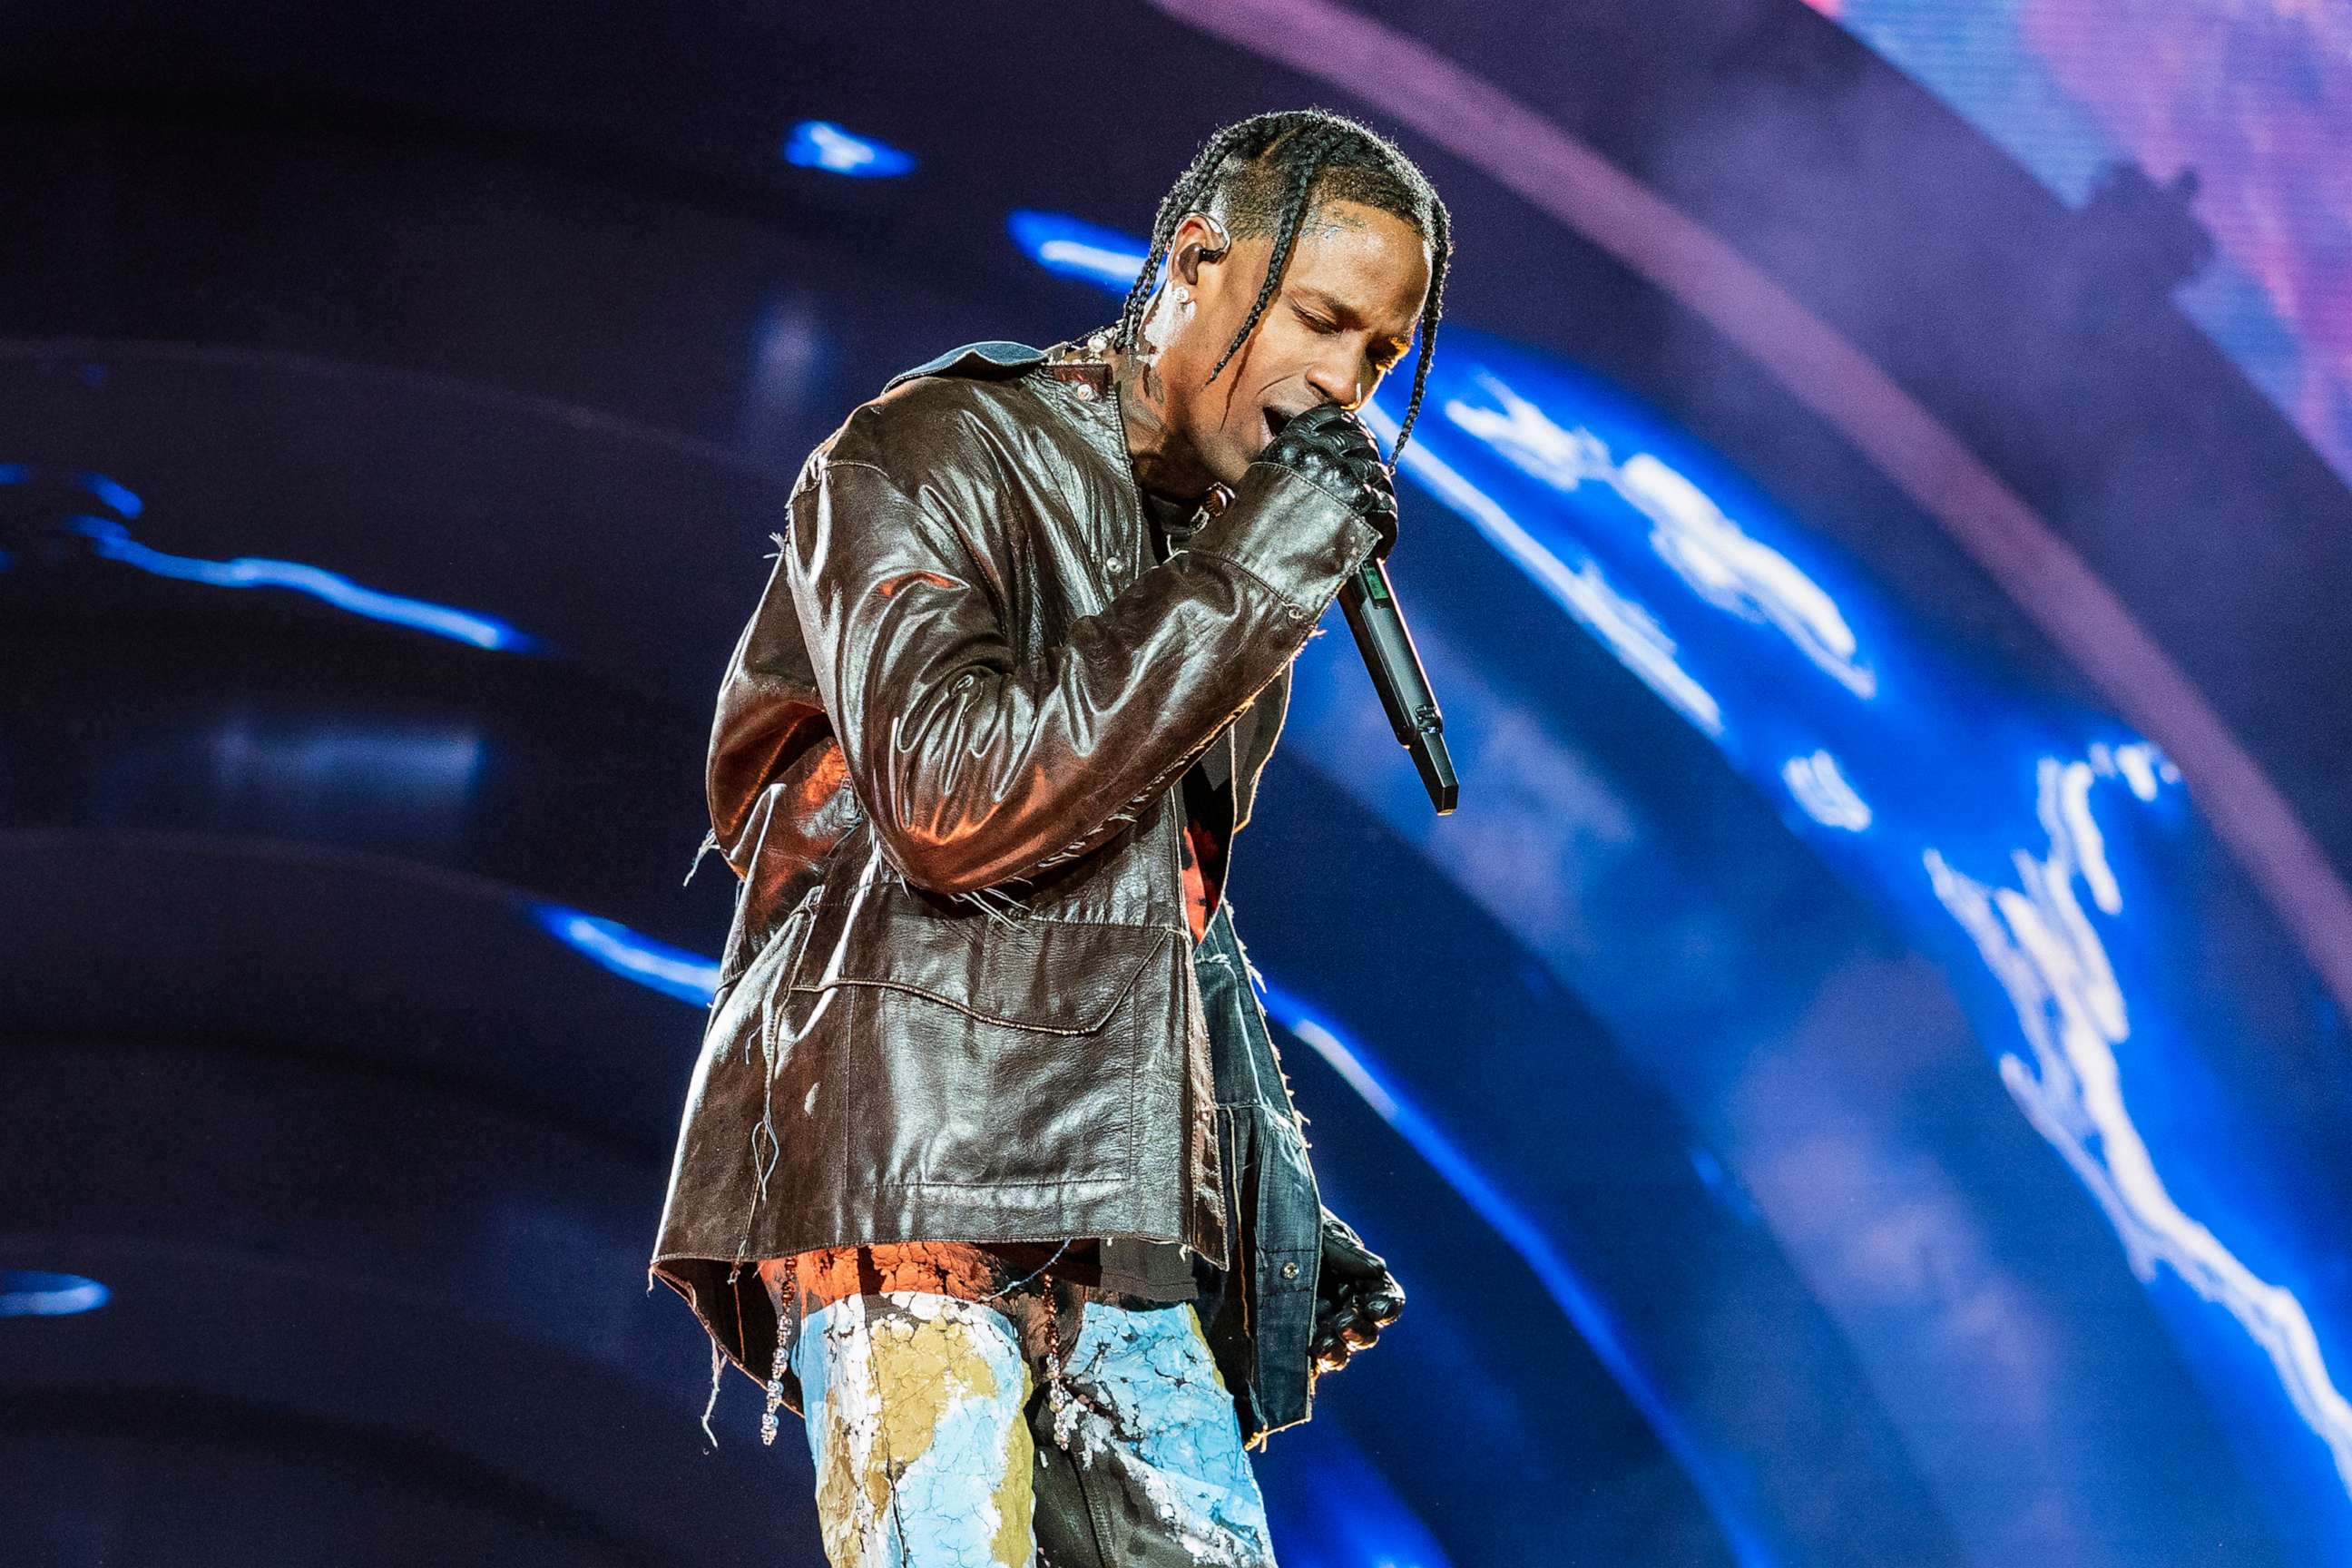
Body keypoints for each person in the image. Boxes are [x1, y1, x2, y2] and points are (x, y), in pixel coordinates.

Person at [651, 106, 1454, 1567]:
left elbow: (1173, 913)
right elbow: (952, 803)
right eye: (1324, 323)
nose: (1340, 383)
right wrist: (1253, 572)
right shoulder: (929, 449)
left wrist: (1262, 1174)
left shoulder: (1220, 557)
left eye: (1378, 356)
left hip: (1119, 1214)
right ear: (1194, 261)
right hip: (914, 1173)